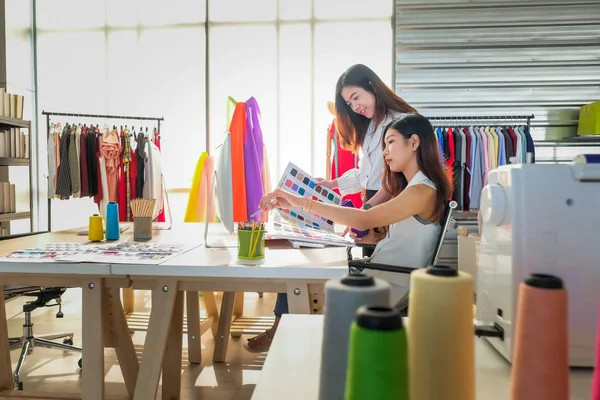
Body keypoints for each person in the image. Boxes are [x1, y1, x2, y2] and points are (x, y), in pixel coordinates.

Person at [244, 114, 451, 352]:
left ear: (414, 143)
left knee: (297, 280)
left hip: (387, 284)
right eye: (384, 145)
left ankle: (288, 343)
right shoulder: (415, 188)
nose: (385, 152)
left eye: (391, 142)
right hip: (381, 274)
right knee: (298, 274)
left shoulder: (421, 191)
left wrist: (304, 202)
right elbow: (409, 238)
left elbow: (365, 217)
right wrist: (375, 238)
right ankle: (284, 338)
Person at [316, 63, 417, 210]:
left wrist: (365, 213)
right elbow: (368, 175)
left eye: (356, 97)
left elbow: (398, 180)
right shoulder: (369, 127)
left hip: (393, 205)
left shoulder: (402, 122)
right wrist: (332, 184)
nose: (355, 107)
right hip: (372, 204)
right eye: (350, 103)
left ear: (373, 87)